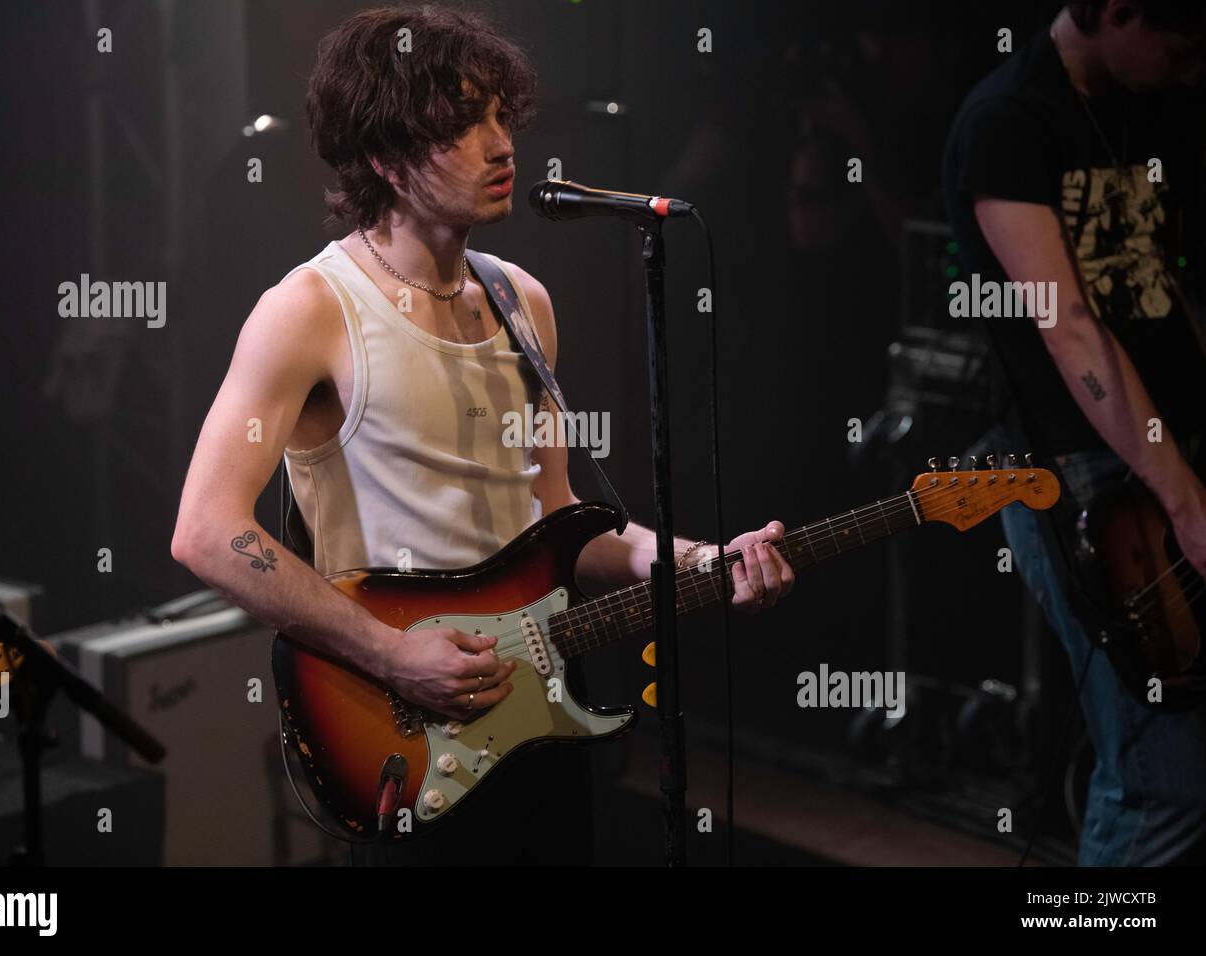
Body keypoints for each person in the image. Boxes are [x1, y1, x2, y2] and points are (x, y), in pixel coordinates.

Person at [170, 4, 794, 866]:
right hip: (406, 736)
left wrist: (697, 561)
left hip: (539, 716)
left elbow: (559, 522)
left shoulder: (521, 300)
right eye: (463, 124)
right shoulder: (309, 311)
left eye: (501, 114)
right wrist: (392, 655)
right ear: (385, 157)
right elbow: (207, 532)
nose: (501, 144)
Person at [943, 0, 1206, 864]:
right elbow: (1070, 330)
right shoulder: (1007, 120)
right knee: (1159, 778)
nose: (1191, 61)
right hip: (1085, 476)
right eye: (1176, 36)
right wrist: (1184, 497)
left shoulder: (1145, 101)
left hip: (1171, 456)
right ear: (1118, 9)